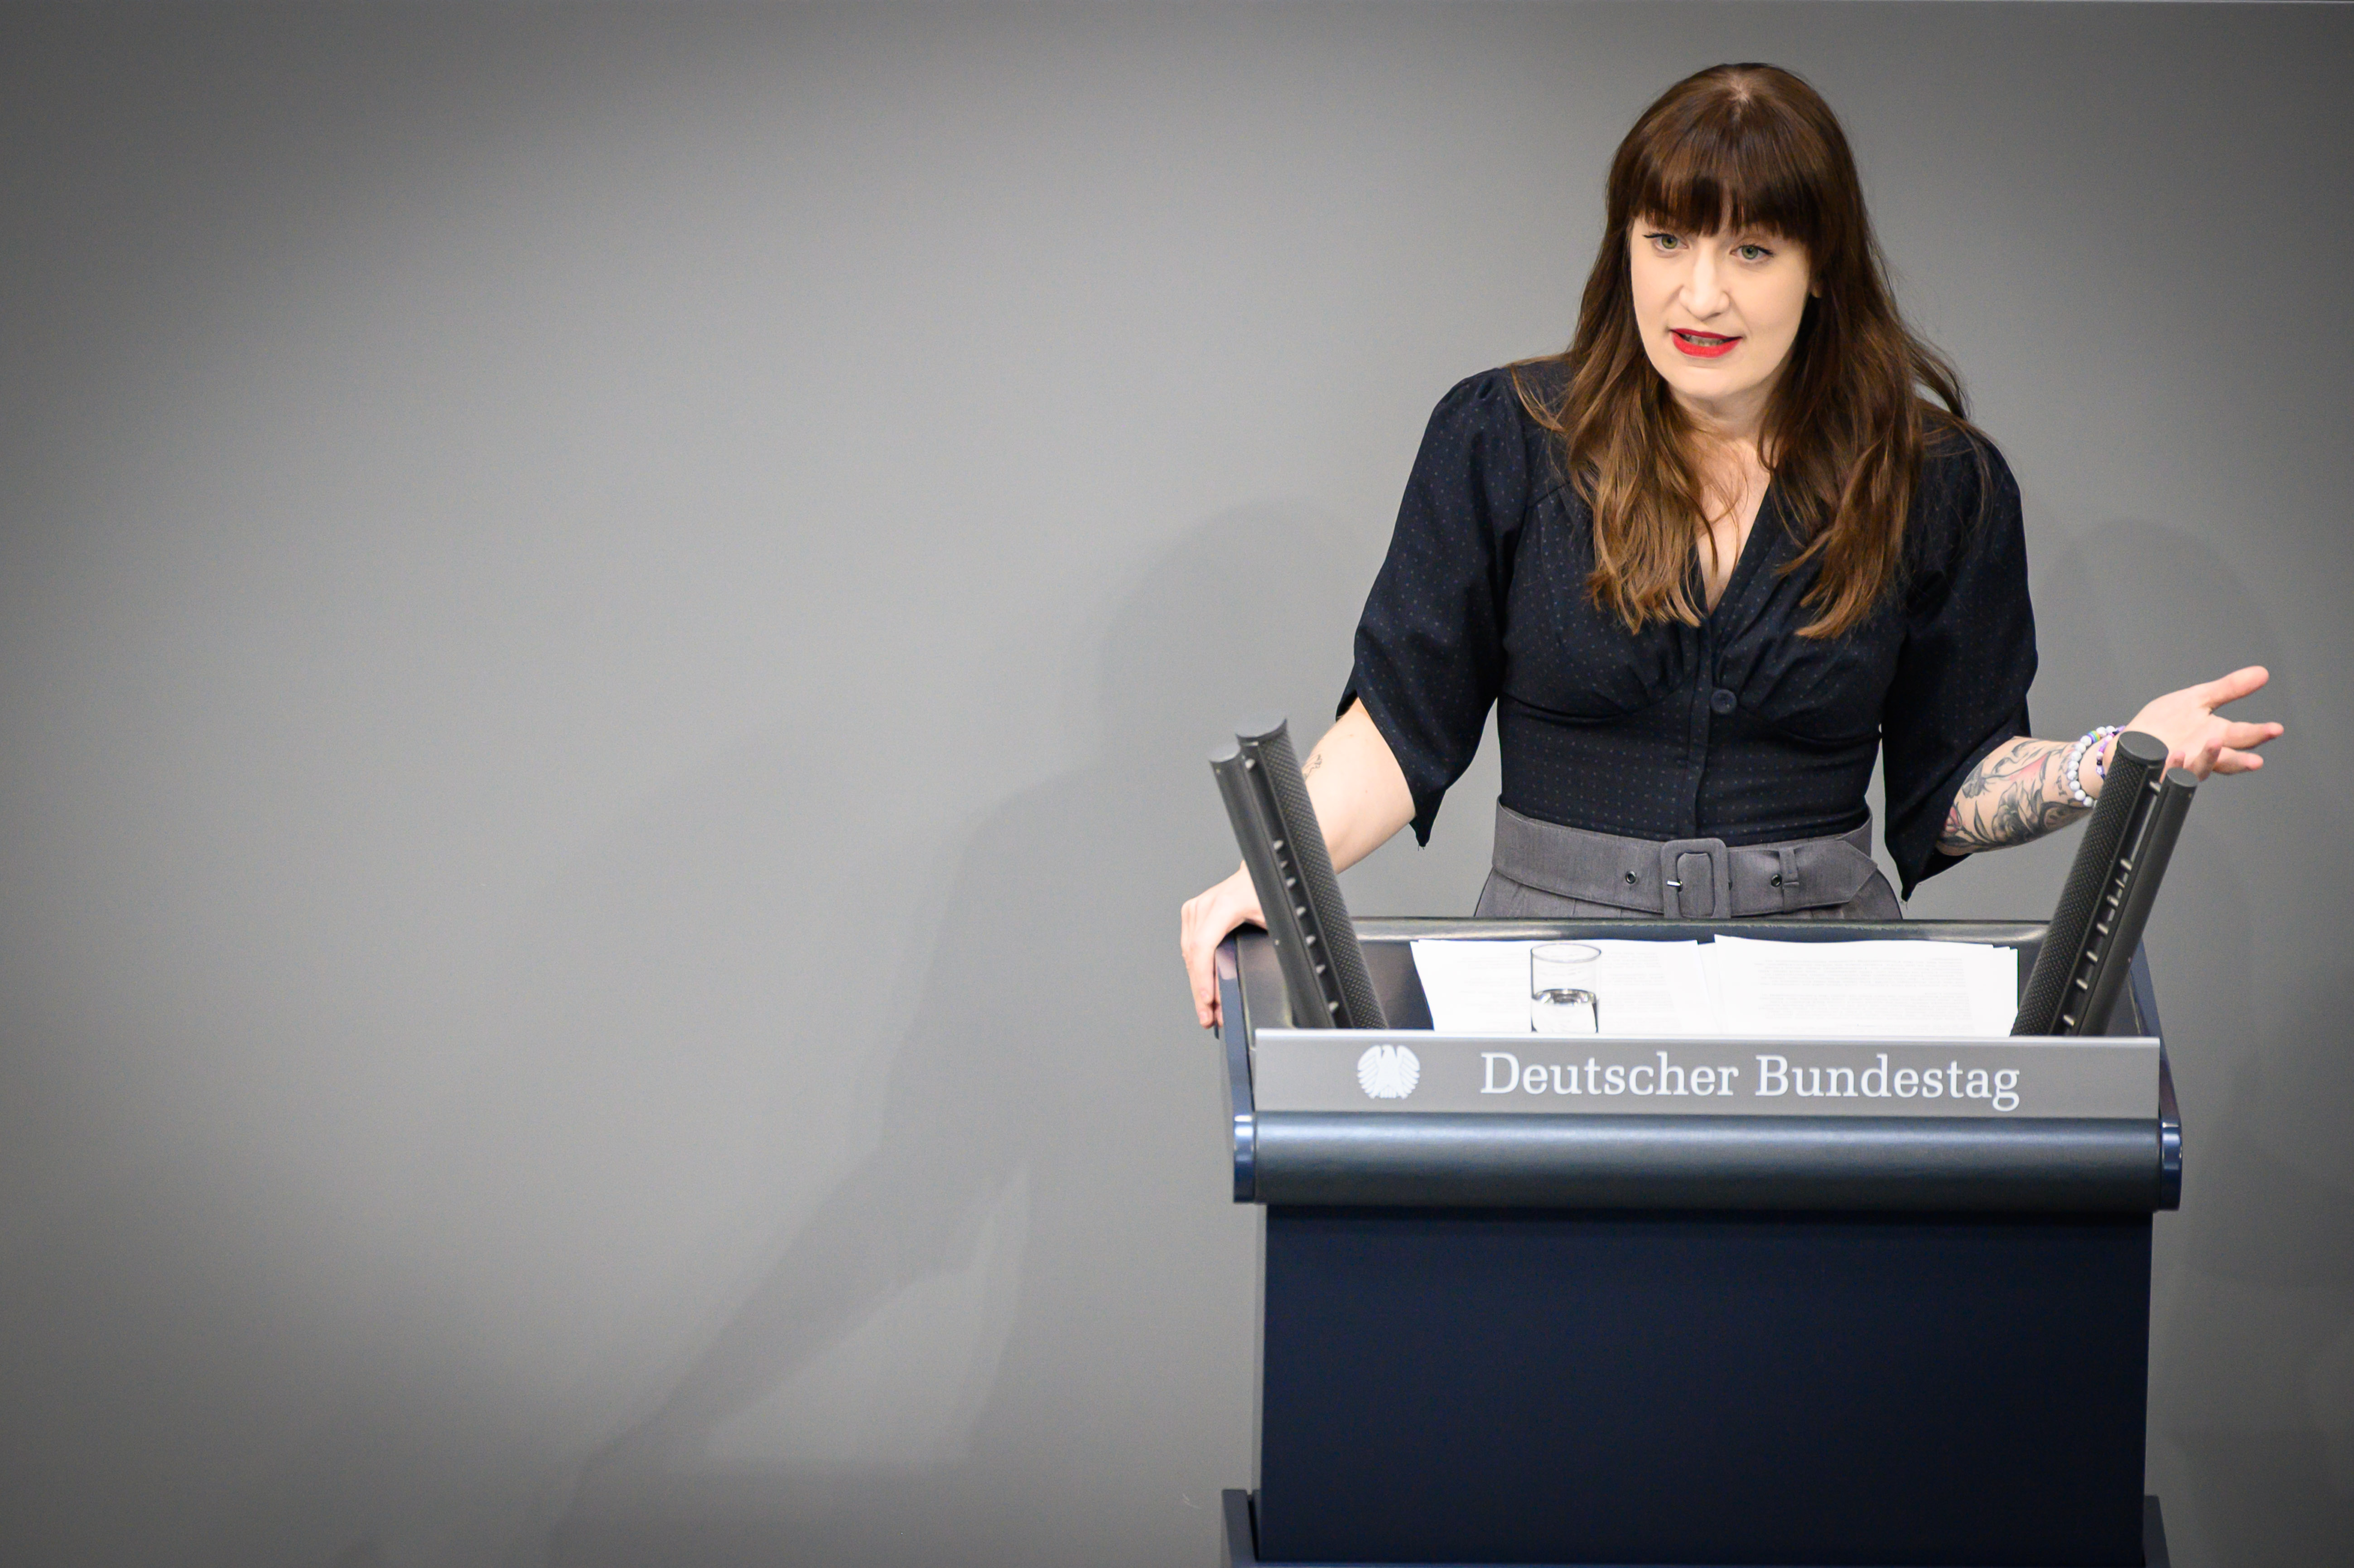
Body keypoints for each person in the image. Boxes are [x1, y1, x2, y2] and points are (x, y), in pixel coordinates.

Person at [1181, 62, 2282, 1029]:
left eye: (1751, 249)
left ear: (1822, 271)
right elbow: (1396, 728)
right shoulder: (1503, 438)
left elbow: (1956, 777)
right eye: (1666, 240)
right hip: (1549, 983)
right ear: (1626, 247)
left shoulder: (1940, 482)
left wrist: (2112, 761)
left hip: (1831, 984)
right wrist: (1266, 876)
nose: (1697, 292)